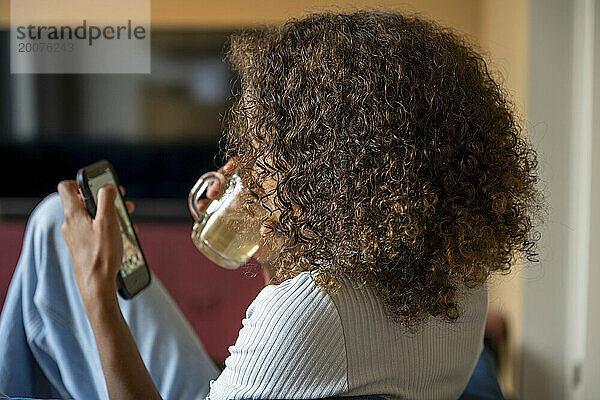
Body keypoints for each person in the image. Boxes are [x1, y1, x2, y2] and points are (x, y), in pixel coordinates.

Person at [0, 10, 544, 400]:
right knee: (54, 222)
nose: (241, 169)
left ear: (327, 173)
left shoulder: (307, 319)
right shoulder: (457, 277)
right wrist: (272, 236)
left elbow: (315, 330)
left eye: (265, 153)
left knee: (56, 236)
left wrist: (98, 290)